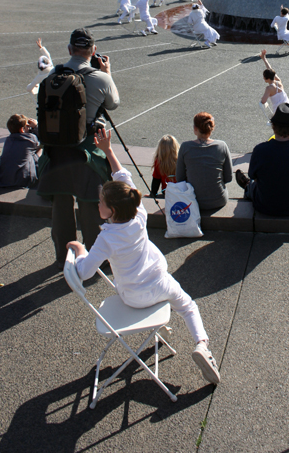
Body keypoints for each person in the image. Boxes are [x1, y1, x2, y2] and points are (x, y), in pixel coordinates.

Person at [67, 129, 220, 385]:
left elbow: (84, 273)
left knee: (173, 303)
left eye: (101, 202)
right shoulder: (139, 214)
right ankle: (202, 344)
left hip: (132, 297)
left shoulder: (106, 239)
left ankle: (161, 328)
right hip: (159, 283)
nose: (98, 204)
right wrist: (109, 150)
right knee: (188, 306)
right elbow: (122, 177)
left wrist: (80, 251)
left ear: (111, 210)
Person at [37, 27, 120, 265]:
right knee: (92, 208)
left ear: (69, 49)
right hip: (87, 153)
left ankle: (65, 258)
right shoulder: (100, 77)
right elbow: (113, 103)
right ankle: (93, 261)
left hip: (56, 152)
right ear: (93, 51)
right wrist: (107, 72)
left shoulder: (53, 74)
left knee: (61, 210)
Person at [235, 103, 289, 217]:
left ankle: (247, 187)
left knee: (254, 183)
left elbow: (253, 174)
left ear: (273, 126)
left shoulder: (260, 150)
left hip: (266, 206)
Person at [175, 112, 233, 211]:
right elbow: (228, 178)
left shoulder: (185, 147)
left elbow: (180, 178)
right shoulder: (222, 146)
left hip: (192, 199)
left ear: (195, 128)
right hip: (218, 199)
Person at [259, 49, 289, 140]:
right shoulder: (279, 82)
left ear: (266, 79)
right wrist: (264, 59)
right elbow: (271, 71)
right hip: (288, 106)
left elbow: (263, 101)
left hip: (279, 111)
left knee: (280, 129)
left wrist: (261, 102)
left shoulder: (269, 88)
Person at [0, 114, 40, 188]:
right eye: (27, 127)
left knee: (30, 154)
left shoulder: (8, 140)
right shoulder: (30, 138)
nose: (29, 129)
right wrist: (35, 127)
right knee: (41, 148)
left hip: (5, 179)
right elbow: (41, 139)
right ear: (22, 129)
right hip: (22, 180)